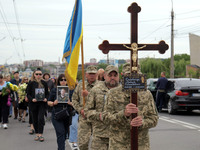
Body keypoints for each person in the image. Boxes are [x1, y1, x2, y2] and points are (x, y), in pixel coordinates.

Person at [102, 63, 158, 150]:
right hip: (119, 145)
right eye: (129, 75)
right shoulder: (112, 94)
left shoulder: (146, 94)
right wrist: (123, 114)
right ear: (122, 75)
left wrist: (142, 123)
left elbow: (154, 118)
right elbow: (105, 118)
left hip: (141, 145)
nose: (133, 78)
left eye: (136, 75)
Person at [84, 65, 120, 150]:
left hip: (119, 136)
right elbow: (87, 111)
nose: (112, 78)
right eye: (110, 75)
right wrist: (99, 115)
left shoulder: (123, 90)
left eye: (115, 76)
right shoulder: (96, 90)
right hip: (100, 136)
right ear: (104, 76)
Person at [72, 65, 99, 150]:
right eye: (90, 74)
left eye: (93, 74)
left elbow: (105, 100)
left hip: (97, 117)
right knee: (83, 142)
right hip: (84, 117)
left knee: (98, 144)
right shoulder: (81, 85)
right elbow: (74, 99)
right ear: (86, 75)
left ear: (97, 75)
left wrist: (89, 95)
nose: (92, 76)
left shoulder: (101, 86)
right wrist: (80, 110)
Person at [48, 74, 72, 150]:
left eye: (65, 80)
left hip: (67, 114)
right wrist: (53, 103)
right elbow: (48, 102)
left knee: (64, 134)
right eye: (61, 80)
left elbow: (76, 103)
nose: (63, 81)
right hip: (57, 114)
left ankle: (61, 147)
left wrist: (70, 103)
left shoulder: (71, 90)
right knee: (60, 133)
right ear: (58, 81)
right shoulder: (54, 90)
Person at [27, 68, 49, 142]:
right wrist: (32, 99)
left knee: (40, 119)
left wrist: (46, 98)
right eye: (37, 74)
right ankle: (37, 134)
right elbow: (28, 94)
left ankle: (41, 134)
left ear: (42, 75)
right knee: (35, 119)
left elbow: (47, 93)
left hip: (42, 104)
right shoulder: (31, 83)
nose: (38, 75)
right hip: (33, 104)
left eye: (40, 74)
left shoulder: (44, 83)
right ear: (34, 75)